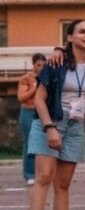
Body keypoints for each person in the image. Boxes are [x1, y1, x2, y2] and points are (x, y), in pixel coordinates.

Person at [25, 20, 85, 210]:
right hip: (51, 120)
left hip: (76, 125)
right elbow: (38, 99)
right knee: (44, 176)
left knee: (63, 184)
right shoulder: (56, 63)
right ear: (69, 37)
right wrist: (50, 127)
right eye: (81, 31)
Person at [17, 53, 46, 186]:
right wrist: (33, 88)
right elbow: (21, 97)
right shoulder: (26, 78)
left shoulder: (47, 77)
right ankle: (29, 174)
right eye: (38, 65)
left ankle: (44, 173)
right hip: (28, 111)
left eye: (43, 65)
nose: (41, 68)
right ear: (33, 64)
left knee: (46, 144)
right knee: (30, 143)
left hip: (43, 112)